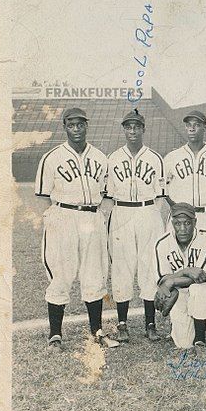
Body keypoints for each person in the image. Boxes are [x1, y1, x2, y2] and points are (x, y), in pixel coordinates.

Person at [35, 107, 119, 349]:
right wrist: (51, 218)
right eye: (72, 125)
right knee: (61, 275)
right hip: (64, 216)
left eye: (80, 124)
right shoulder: (51, 157)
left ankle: (97, 331)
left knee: (94, 274)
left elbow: (107, 194)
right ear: (65, 127)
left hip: (91, 217)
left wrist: (100, 215)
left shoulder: (100, 157)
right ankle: (55, 334)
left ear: (86, 126)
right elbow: (42, 196)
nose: (76, 129)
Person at [164, 110, 206, 336]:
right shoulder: (172, 157)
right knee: (180, 263)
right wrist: (178, 211)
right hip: (183, 219)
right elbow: (165, 190)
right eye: (188, 124)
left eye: (197, 124)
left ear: (204, 127)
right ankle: (181, 314)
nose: (192, 128)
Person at [106, 109, 166, 342]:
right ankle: (122, 324)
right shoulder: (113, 158)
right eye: (128, 127)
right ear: (124, 129)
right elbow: (108, 195)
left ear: (143, 129)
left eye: (136, 127)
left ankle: (149, 324)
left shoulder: (154, 158)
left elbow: (160, 197)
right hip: (121, 212)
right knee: (122, 267)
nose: (132, 130)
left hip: (147, 211)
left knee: (149, 266)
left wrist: (149, 215)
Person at [153, 203, 206, 351]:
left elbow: (200, 277)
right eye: (178, 224)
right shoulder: (162, 243)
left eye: (187, 223)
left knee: (197, 290)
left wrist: (172, 280)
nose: (182, 228)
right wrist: (185, 272)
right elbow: (163, 280)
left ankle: (200, 341)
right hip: (181, 292)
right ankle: (184, 326)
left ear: (195, 222)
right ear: (172, 224)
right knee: (183, 343)